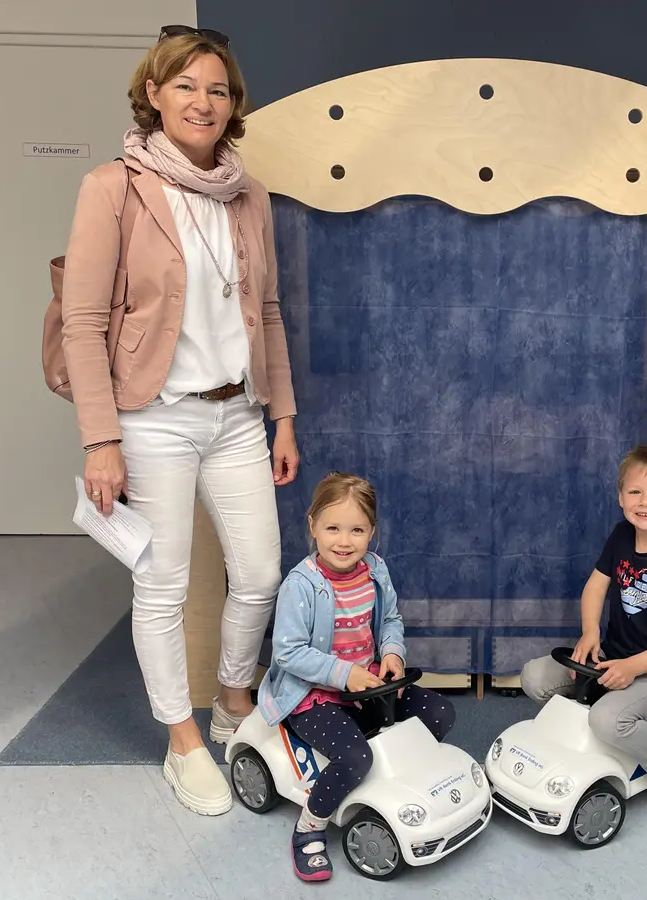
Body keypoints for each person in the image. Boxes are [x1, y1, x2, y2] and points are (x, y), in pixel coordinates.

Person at [60, 25, 300, 816]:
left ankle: (234, 704)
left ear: (233, 106)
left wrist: (283, 418)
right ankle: (182, 742)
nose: (203, 100)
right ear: (154, 95)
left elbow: (266, 311)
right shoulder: (113, 188)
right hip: (153, 420)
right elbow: (84, 322)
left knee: (260, 573)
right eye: (186, 85)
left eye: (218, 88)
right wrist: (102, 440)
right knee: (162, 587)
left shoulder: (248, 192)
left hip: (237, 415)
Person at [257, 473, 456, 882]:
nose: (344, 541)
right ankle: (309, 828)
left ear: (372, 532)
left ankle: (393, 779)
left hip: (369, 686)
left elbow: (390, 622)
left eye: (357, 530)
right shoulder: (301, 585)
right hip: (314, 695)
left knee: (439, 713)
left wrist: (392, 653)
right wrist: (343, 674)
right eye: (332, 528)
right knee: (353, 757)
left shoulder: (375, 570)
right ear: (312, 525)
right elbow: (288, 652)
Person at [519, 445, 647, 828]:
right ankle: (581, 730)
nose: (646, 502)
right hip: (613, 656)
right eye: (635, 492)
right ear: (621, 497)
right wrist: (590, 632)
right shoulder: (622, 536)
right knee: (534, 676)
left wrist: (633, 667)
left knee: (607, 721)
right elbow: (595, 587)